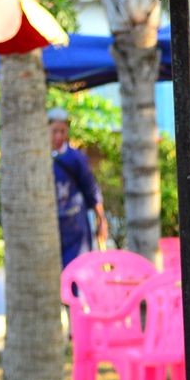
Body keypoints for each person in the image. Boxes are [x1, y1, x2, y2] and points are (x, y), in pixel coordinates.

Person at [49, 107, 109, 267]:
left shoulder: (76, 158)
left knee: (78, 272)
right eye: (54, 131)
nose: (58, 136)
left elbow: (91, 189)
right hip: (51, 228)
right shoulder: (40, 158)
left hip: (76, 227)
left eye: (62, 131)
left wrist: (101, 219)